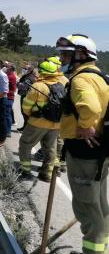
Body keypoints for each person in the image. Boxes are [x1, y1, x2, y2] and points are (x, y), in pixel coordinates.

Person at [56, 34, 109, 254]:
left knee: (86, 208)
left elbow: (91, 107)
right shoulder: (99, 76)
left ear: (82, 55)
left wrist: (86, 126)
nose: (62, 60)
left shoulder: (80, 79)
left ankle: (94, 250)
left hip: (84, 151)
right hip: (99, 152)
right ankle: (101, 248)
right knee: (99, 204)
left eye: (67, 55)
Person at [19, 61, 65, 182]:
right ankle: (46, 174)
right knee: (50, 148)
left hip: (37, 123)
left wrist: (30, 116)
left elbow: (26, 106)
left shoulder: (38, 86)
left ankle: (26, 171)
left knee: (25, 145)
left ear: (41, 72)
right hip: (56, 124)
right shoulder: (61, 85)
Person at [17, 63, 38, 132]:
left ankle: (27, 128)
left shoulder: (29, 77)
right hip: (26, 95)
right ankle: (25, 126)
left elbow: (24, 86)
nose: (24, 70)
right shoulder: (28, 76)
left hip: (26, 96)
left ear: (30, 70)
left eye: (26, 69)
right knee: (25, 112)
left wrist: (17, 83)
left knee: (25, 112)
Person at [5, 63, 17, 132]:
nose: (6, 68)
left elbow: (13, 89)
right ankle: (6, 129)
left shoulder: (11, 77)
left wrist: (5, 93)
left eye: (8, 67)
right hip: (7, 96)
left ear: (11, 69)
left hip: (9, 97)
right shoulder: (8, 75)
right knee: (6, 114)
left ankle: (8, 131)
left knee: (7, 114)